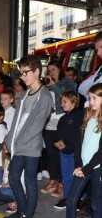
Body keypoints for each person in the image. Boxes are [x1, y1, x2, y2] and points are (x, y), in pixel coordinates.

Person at [3, 54, 53, 218]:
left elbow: (36, 127)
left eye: (25, 73)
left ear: (37, 71)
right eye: (21, 73)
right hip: (17, 145)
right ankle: (22, 211)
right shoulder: (24, 95)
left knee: (30, 182)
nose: (22, 76)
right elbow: (16, 121)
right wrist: (9, 139)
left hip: (30, 147)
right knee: (14, 178)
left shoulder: (45, 97)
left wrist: (16, 144)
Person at [53, 83, 102, 218]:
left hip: (97, 167)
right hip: (84, 166)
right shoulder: (87, 114)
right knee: (72, 198)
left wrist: (86, 168)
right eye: (89, 98)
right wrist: (79, 164)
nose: (91, 101)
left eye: (95, 98)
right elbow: (80, 142)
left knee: (95, 202)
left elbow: (101, 152)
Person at [40, 59, 75, 197]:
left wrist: (54, 84)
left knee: (62, 153)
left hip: (63, 120)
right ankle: (53, 180)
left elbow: (67, 95)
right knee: (50, 154)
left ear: (60, 69)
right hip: (49, 121)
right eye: (49, 71)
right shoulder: (48, 85)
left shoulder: (67, 82)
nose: (51, 73)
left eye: (53, 70)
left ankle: (62, 183)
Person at [53, 90, 83, 209]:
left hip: (75, 153)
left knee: (78, 177)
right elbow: (58, 135)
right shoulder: (63, 118)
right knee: (66, 177)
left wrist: (68, 146)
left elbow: (79, 137)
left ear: (73, 101)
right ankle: (66, 199)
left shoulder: (80, 116)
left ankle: (80, 199)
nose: (62, 104)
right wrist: (57, 143)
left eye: (65, 101)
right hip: (64, 152)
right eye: (61, 102)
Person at [78, 31, 102, 99]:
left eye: (101, 47)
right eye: (97, 50)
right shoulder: (100, 68)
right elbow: (81, 88)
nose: (98, 53)